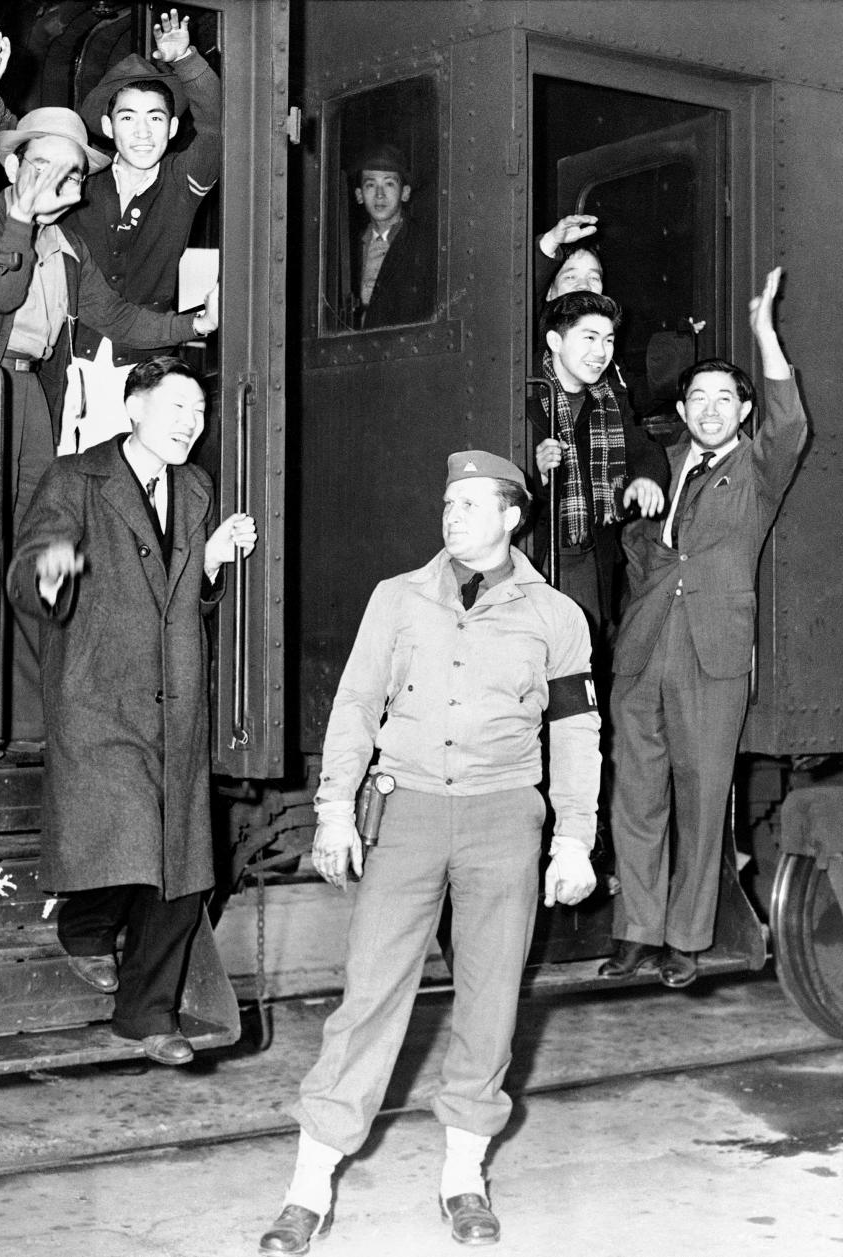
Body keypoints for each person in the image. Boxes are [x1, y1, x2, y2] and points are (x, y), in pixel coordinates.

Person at [257, 451, 601, 1254]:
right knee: (370, 991)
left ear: (514, 515)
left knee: (490, 1000)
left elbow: (576, 732)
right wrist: (336, 806)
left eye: (474, 504)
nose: (453, 517)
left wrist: (575, 835)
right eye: (449, 502)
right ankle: (309, 1186)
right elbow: (355, 701)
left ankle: (464, 1179)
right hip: (406, 810)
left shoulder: (556, 616)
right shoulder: (397, 598)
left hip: (503, 817)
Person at [5, 357, 257, 1064]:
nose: (191, 423)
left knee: (181, 870)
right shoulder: (76, 479)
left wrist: (208, 564)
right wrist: (48, 568)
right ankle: (83, 927)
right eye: (177, 406)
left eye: (200, 411)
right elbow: (27, 571)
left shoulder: (198, 488)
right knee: (120, 845)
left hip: (175, 702)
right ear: (134, 406)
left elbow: (190, 600)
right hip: (98, 696)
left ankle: (147, 1015)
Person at [600, 268, 807, 990]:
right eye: (700, 398)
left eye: (727, 399)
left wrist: (764, 334)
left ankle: (686, 937)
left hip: (712, 653)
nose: (711, 409)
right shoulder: (663, 461)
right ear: (682, 410)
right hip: (644, 647)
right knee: (636, 790)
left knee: (701, 792)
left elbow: (792, 423)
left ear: (743, 410)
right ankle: (635, 928)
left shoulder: (758, 467)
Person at [0, 105, 213, 743]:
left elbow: (117, 317)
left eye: (69, 174)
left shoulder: (67, 246)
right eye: (41, 168)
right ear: (12, 166)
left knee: (33, 550)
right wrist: (17, 222)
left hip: (29, 394)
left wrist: (193, 324)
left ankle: (28, 717)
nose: (56, 185)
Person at [60, 7, 222, 453]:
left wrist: (186, 59)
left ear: (172, 128)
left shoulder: (182, 181)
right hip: (69, 364)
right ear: (109, 128)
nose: (143, 132)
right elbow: (20, 149)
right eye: (128, 118)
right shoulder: (78, 182)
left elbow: (220, 128)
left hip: (145, 371)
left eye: (155, 117)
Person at [528, 290, 668, 639]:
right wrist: (536, 471)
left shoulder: (610, 399)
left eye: (608, 340)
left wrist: (646, 479)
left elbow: (645, 451)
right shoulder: (524, 392)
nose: (601, 352)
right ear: (554, 341)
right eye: (589, 338)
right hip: (532, 554)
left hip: (587, 558)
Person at [350, 144, 434, 330]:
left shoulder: (426, 245)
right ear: (359, 195)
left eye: (389, 183)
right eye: (370, 185)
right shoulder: (348, 247)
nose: (380, 195)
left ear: (405, 193)